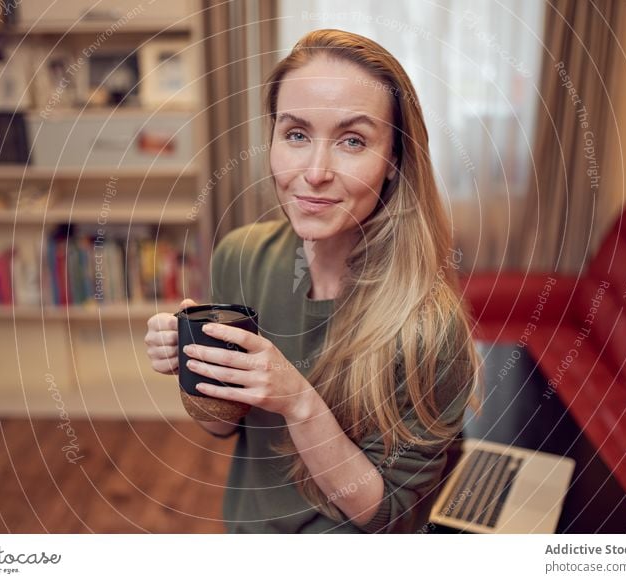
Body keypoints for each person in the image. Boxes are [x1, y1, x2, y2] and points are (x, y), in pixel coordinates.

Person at [145, 29, 481, 533]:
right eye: (296, 134)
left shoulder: (430, 327)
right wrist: (190, 369)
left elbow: (388, 516)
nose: (315, 172)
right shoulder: (241, 256)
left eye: (353, 141)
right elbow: (220, 425)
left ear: (393, 162)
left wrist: (298, 402)